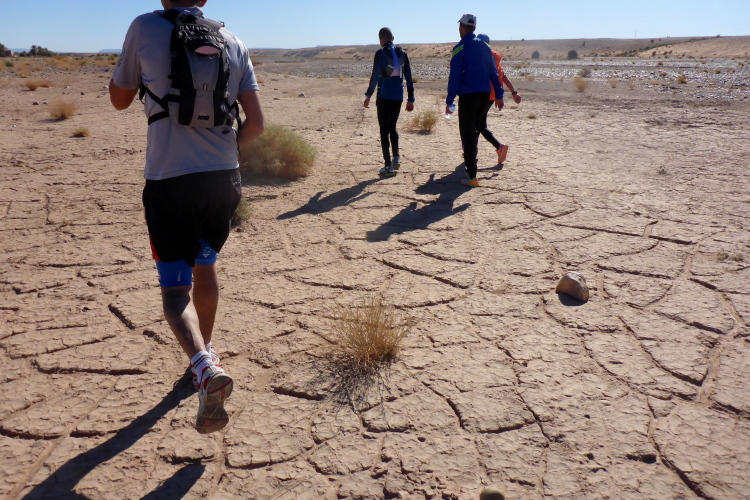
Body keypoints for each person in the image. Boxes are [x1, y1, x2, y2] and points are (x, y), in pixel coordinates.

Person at [109, 0, 264, 433]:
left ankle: (203, 367)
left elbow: (119, 100)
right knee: (206, 267)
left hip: (169, 181)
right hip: (223, 180)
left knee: (176, 292)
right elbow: (256, 124)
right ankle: (205, 354)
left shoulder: (144, 27)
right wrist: (226, 154)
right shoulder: (233, 41)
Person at [445, 14, 503, 187]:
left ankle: (472, 176)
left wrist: (450, 100)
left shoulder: (459, 48)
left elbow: (454, 76)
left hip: (468, 96)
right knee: (475, 131)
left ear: (462, 27)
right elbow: (493, 72)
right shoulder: (485, 47)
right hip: (484, 95)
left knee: (467, 134)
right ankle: (471, 172)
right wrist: (499, 94)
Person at [364, 27, 416, 177]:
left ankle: (388, 166)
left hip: (384, 96)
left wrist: (368, 95)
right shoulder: (403, 53)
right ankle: (396, 158)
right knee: (392, 127)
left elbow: (375, 75)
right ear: (392, 38)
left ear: (381, 39)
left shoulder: (380, 53)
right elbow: (409, 77)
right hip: (398, 97)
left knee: (384, 130)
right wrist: (411, 99)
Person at [476, 33, 522, 165]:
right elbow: (503, 76)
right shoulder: (495, 58)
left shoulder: (481, 57)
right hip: (492, 96)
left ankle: (499, 147)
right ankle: (470, 149)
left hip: (483, 94)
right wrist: (513, 93)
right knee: (478, 122)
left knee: (479, 124)